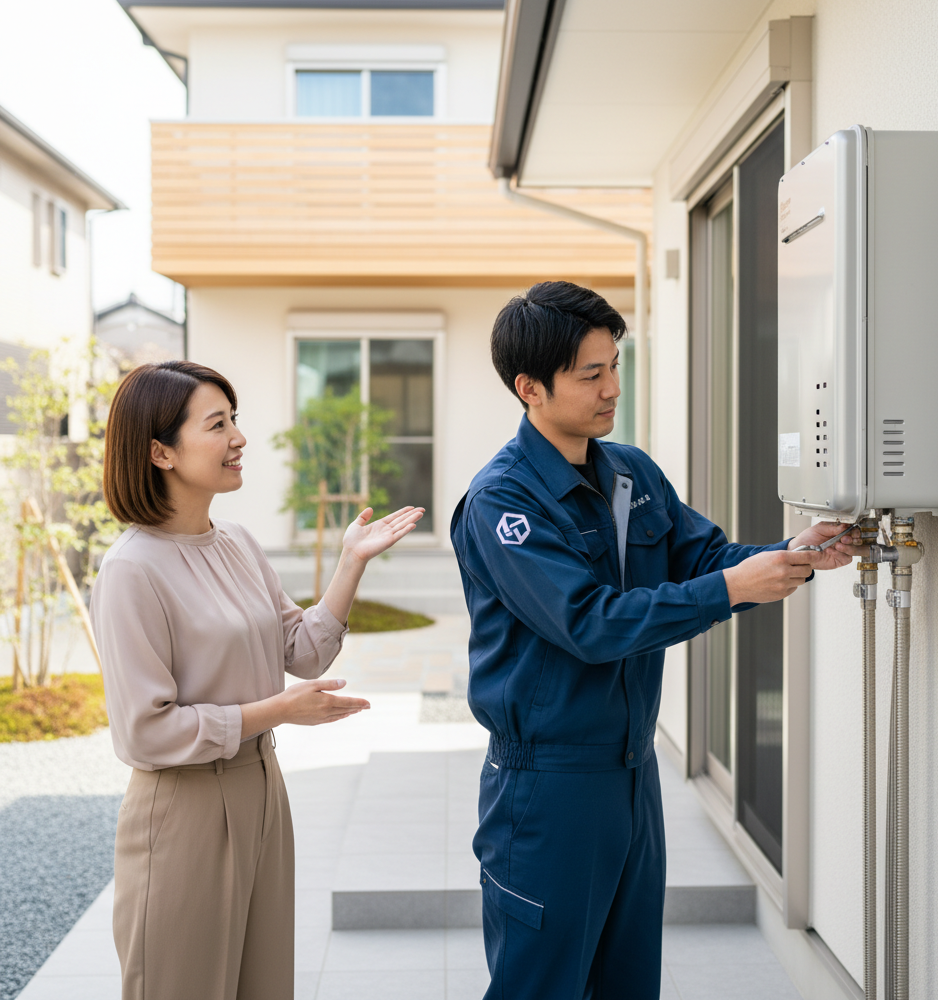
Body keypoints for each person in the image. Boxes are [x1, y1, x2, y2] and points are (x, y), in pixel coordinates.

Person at [450, 281, 862, 1000]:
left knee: (629, 981)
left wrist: (791, 552)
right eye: (591, 374)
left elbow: (702, 559)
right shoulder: (503, 502)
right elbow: (590, 623)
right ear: (530, 388)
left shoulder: (629, 473)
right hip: (549, 785)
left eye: (616, 366)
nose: (613, 388)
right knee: (541, 987)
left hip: (633, 776)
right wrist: (734, 589)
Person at [91, 360, 423, 1000]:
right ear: (160, 451)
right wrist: (275, 711)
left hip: (263, 790)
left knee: (264, 985)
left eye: (234, 419)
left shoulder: (237, 541)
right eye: (217, 424)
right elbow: (145, 733)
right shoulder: (131, 570)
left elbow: (302, 651)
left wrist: (350, 562)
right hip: (181, 809)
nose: (238, 437)